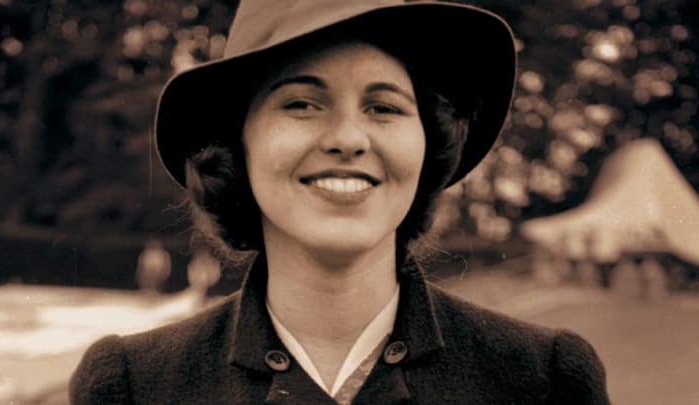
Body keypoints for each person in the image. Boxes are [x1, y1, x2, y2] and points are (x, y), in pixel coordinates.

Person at [70, 0, 611, 403]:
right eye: (302, 104)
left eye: (384, 107)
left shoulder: (543, 377)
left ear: (427, 147)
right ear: (236, 145)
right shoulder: (135, 385)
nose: (349, 139)